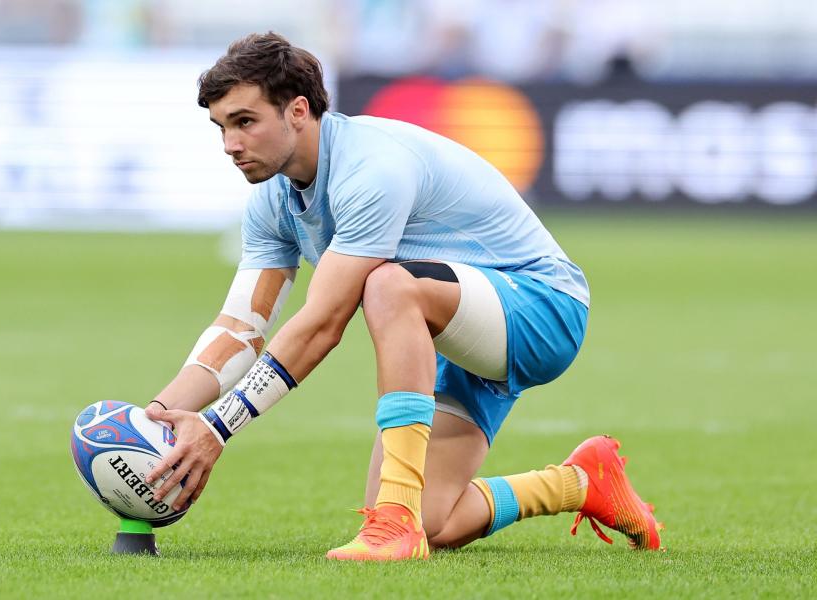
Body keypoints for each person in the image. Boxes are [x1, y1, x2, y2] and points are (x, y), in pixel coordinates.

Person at [143, 32, 662, 560]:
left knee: (386, 285)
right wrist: (154, 418)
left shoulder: (371, 169)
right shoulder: (272, 200)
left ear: (298, 110)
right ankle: (579, 483)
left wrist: (217, 426)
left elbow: (323, 324)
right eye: (221, 127)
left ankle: (394, 526)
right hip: (449, 329)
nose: (230, 144)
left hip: (543, 307)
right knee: (436, 521)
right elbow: (238, 329)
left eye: (245, 121)